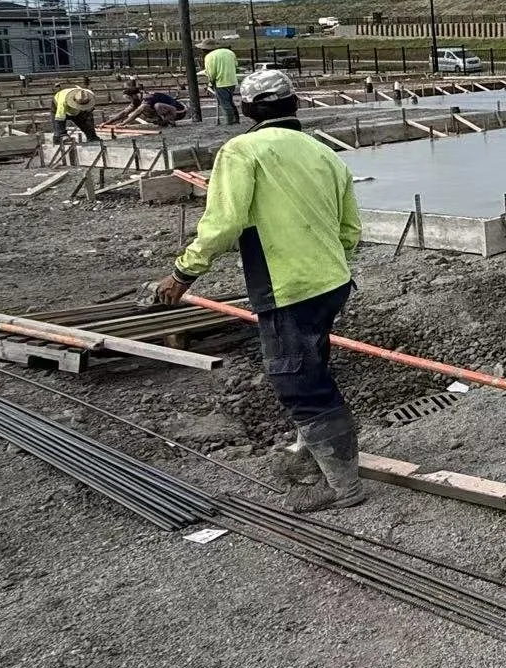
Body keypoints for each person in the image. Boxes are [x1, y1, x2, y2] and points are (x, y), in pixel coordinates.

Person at [152, 69, 364, 511]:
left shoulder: (242, 150)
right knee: (312, 368)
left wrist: (183, 272)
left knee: (299, 383)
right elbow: (349, 230)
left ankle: (343, 485)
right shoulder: (323, 153)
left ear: (246, 110)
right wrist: (321, 258)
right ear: (295, 105)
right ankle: (314, 456)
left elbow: (224, 224)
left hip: (287, 287)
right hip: (332, 281)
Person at [106, 77, 186, 129]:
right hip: (171, 110)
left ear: (134, 95)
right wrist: (108, 122)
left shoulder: (147, 98)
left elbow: (136, 113)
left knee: (156, 106)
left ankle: (169, 121)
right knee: (147, 111)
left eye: (129, 98)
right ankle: (163, 121)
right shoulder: (137, 100)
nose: (130, 100)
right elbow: (124, 113)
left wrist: (123, 124)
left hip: (179, 111)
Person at [202, 44, 240, 125]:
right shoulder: (229, 52)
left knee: (225, 103)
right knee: (229, 101)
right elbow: (236, 66)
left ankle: (229, 122)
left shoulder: (209, 57)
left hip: (220, 83)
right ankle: (236, 119)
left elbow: (211, 73)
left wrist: (211, 83)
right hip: (232, 81)